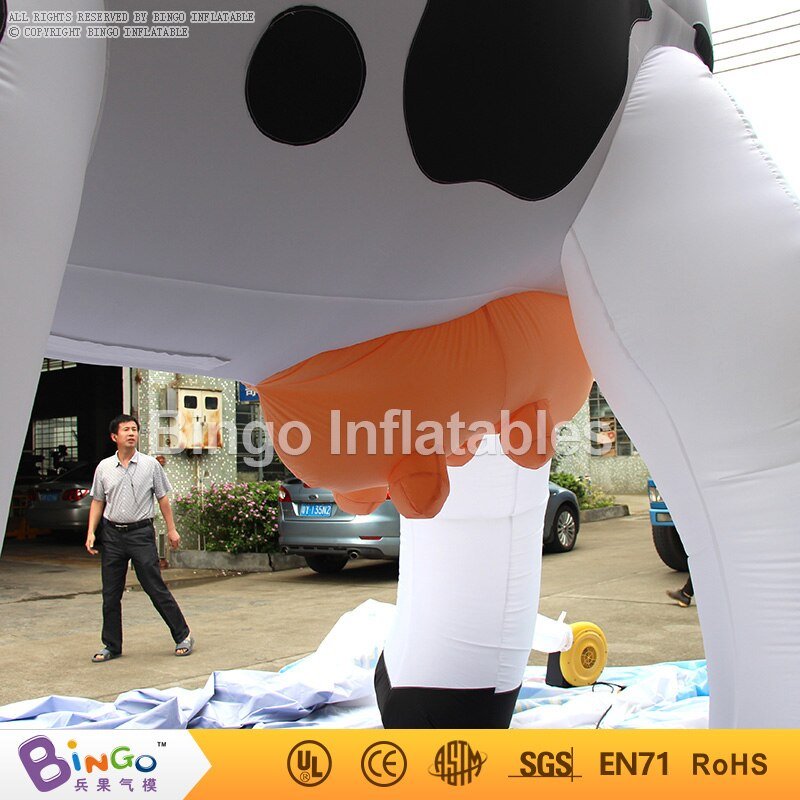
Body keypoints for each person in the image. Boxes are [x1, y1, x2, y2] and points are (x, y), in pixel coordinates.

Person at [85, 414, 194, 662]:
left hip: (140, 534)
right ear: (114, 436)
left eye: (134, 429)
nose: (131, 433)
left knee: (154, 587)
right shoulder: (104, 467)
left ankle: (183, 635)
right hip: (112, 535)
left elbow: (162, 498)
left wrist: (172, 529)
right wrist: (91, 532)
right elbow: (98, 501)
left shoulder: (150, 465)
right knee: (110, 594)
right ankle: (111, 645)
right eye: (126, 430)